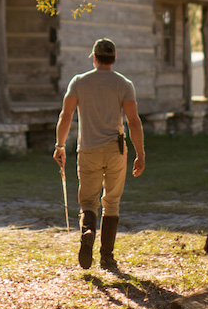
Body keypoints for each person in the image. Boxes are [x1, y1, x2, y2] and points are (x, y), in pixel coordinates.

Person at [53, 37, 145, 270]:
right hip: (116, 150)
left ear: (94, 58)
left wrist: (59, 146)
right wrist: (140, 153)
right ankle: (107, 257)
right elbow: (133, 121)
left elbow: (65, 116)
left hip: (89, 150)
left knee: (88, 202)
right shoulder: (124, 84)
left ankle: (88, 230)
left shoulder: (79, 82)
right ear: (114, 58)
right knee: (111, 202)